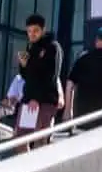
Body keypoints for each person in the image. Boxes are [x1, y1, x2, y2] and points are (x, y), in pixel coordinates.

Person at [14, 15, 66, 144]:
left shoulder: (52, 47)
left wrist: (36, 98)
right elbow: (28, 76)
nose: (32, 34)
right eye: (29, 31)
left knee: (40, 140)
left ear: (43, 30)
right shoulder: (31, 48)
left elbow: (50, 75)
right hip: (29, 100)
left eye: (35, 31)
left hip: (45, 101)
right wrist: (23, 65)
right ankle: (27, 163)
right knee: (20, 139)